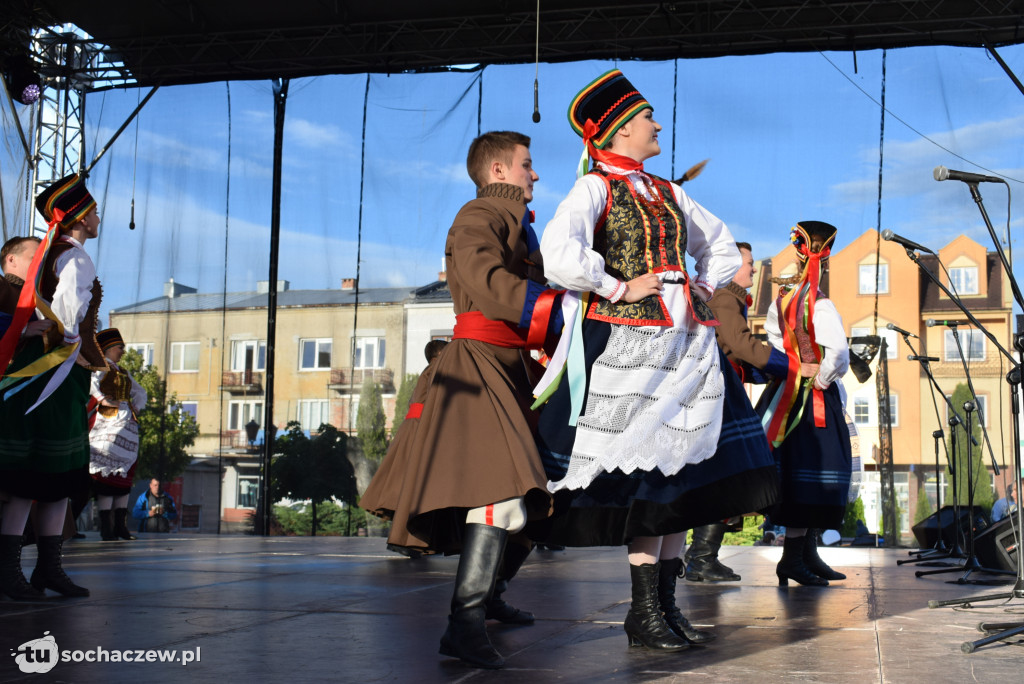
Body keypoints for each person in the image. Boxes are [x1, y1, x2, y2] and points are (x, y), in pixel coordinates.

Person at [534, 69, 778, 652]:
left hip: (686, 344)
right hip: (631, 349)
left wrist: (700, 283)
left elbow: (719, 245)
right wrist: (617, 286)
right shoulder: (595, 188)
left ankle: (665, 605)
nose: (658, 123)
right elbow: (557, 254)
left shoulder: (671, 191)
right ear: (618, 132)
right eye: (647, 117)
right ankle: (643, 610)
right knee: (647, 477)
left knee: (681, 477)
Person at [359, 131, 563, 669]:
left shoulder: (516, 220)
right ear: (498, 170)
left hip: (512, 369)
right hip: (480, 367)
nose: (533, 174)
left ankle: (486, 599)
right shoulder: (480, 213)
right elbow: (481, 273)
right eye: (526, 165)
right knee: (502, 489)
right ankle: (464, 622)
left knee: (539, 491)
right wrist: (551, 311)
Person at [0, 174, 107, 600]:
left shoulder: (49, 253)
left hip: (45, 372)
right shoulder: (76, 258)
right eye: (94, 211)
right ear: (79, 217)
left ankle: (44, 569)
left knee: (48, 478)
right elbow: (65, 320)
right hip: (53, 375)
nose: (99, 217)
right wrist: (72, 347)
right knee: (40, 475)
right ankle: (19, 572)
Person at [684, 242, 793, 583]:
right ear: (731, 266)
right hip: (717, 397)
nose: (754, 269)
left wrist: (771, 370)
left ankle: (703, 556)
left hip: (722, 391)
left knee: (730, 473)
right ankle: (700, 557)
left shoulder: (729, 298)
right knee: (729, 472)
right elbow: (740, 343)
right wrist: (789, 366)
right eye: (748, 263)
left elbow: (737, 351)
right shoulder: (724, 298)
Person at [756, 221, 852, 586]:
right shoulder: (820, 303)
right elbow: (839, 353)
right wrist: (821, 378)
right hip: (812, 398)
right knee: (813, 474)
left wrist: (793, 366)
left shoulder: (782, 298)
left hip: (787, 390)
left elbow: (774, 337)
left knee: (799, 472)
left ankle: (805, 555)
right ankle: (794, 559)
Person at [89, 328, 147, 541]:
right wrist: (102, 399)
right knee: (107, 473)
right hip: (107, 423)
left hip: (127, 424)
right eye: (120, 347)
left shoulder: (122, 371)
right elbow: (92, 384)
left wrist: (137, 406)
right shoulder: (99, 367)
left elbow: (140, 392)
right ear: (108, 348)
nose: (123, 351)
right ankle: (107, 527)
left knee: (124, 474)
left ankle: (120, 526)